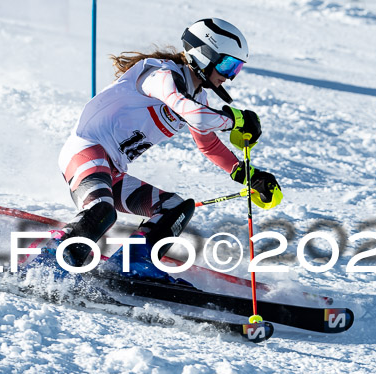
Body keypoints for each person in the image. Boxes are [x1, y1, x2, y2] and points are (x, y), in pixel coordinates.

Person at [40, 18, 281, 281]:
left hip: (113, 170)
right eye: (227, 64)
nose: (229, 76)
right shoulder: (160, 74)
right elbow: (198, 117)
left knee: (176, 208)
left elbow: (208, 143)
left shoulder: (197, 95)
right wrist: (235, 119)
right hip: (86, 152)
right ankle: (49, 260)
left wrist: (248, 176)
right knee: (103, 212)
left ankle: (134, 261)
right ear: (204, 55)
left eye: (237, 68)